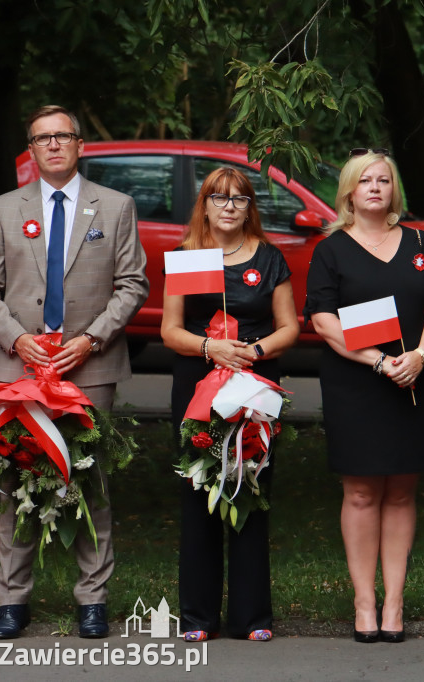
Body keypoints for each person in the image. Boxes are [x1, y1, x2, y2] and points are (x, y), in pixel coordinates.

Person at [0, 105, 149, 639]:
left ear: (80, 145)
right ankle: (12, 601)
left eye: (63, 136)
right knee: (16, 482)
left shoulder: (117, 206)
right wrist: (18, 339)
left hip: (89, 366)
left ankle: (92, 601)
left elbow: (132, 285)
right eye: (43, 138)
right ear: (30, 150)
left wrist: (90, 339)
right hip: (21, 367)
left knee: (89, 481)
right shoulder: (4, 208)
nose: (54, 145)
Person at [305, 149, 424, 644]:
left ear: (394, 190)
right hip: (358, 381)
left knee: (403, 491)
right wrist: (378, 360)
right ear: (348, 191)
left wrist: (421, 357)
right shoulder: (331, 249)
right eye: (365, 181)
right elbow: (323, 320)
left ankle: (395, 602)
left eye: (384, 180)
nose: (375, 188)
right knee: (362, 491)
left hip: (413, 379)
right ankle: (364, 601)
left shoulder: (418, 241)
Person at [161, 167, 299, 642]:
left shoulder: (271, 257)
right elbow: (170, 330)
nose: (228, 206)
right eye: (218, 198)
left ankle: (252, 617)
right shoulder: (186, 257)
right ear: (204, 204)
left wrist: (253, 352)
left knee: (249, 488)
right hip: (199, 381)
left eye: (239, 199)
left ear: (250, 207)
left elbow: (290, 328)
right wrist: (209, 349)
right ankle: (198, 618)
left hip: (255, 383)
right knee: (200, 491)